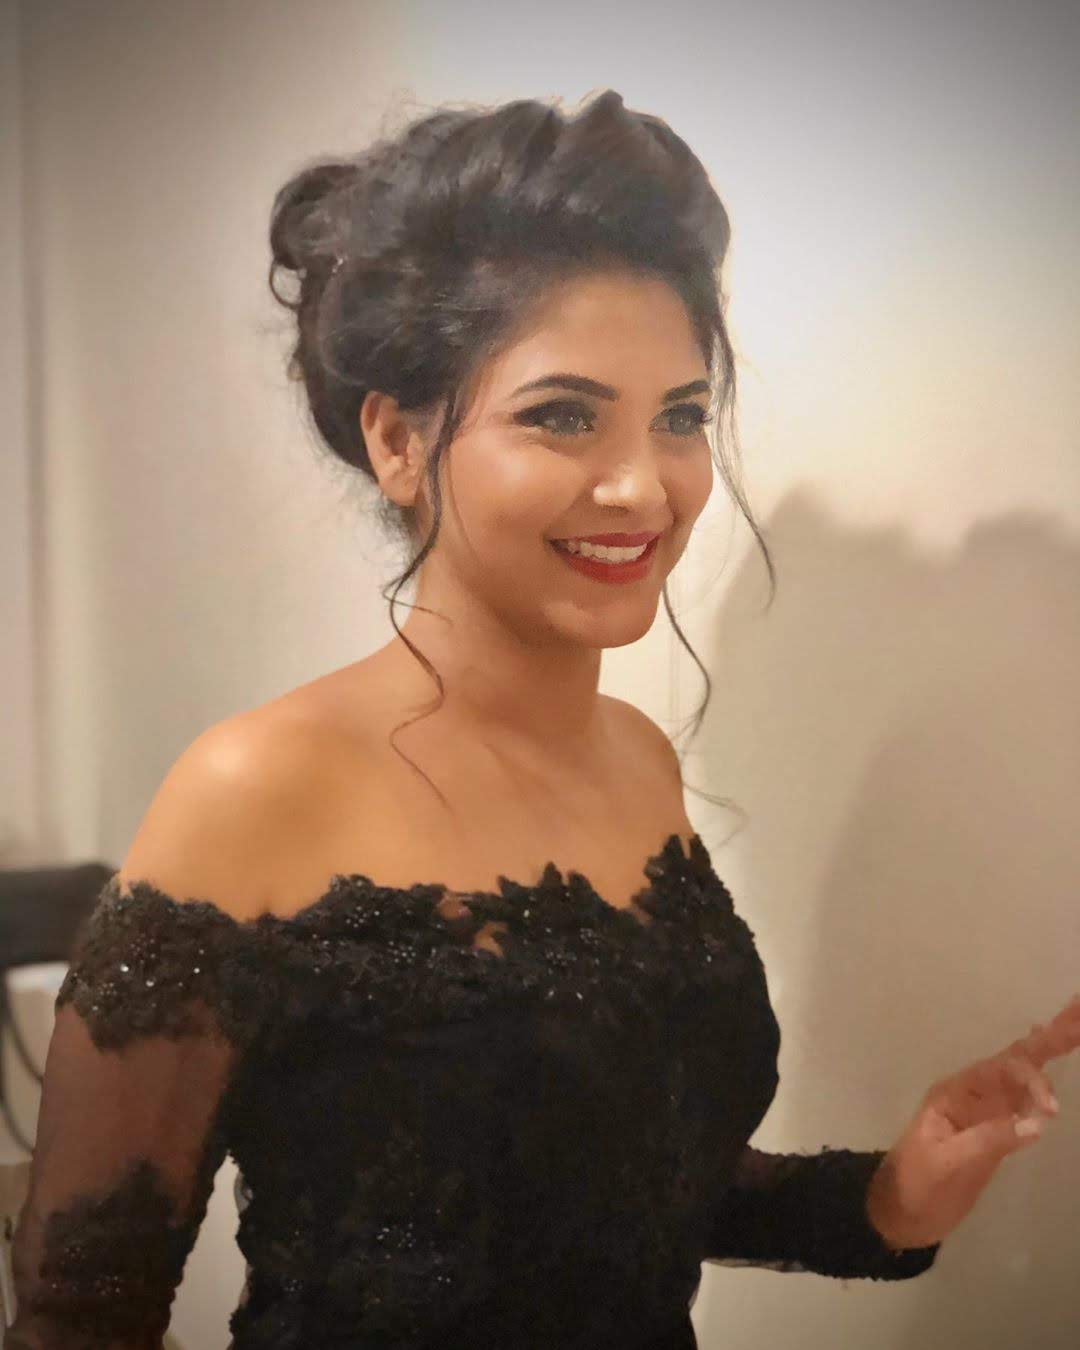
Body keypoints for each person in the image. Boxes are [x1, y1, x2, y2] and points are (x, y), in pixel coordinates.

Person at [7, 89, 943, 1350]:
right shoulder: (258, 788)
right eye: (561, 415)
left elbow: (621, 1183)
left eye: (679, 417)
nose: (642, 484)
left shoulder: (637, 762)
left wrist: (893, 1195)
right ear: (399, 442)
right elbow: (80, 1317)